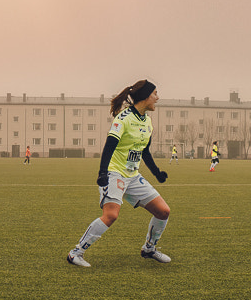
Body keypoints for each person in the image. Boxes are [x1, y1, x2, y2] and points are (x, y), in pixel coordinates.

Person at [66, 80, 172, 268]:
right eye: (155, 93)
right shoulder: (123, 119)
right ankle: (76, 253)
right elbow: (109, 147)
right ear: (145, 97)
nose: (158, 97)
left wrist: (157, 173)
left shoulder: (147, 121)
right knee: (111, 215)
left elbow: (144, 151)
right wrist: (102, 173)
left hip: (133, 176)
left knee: (163, 211)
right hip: (115, 173)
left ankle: (149, 248)